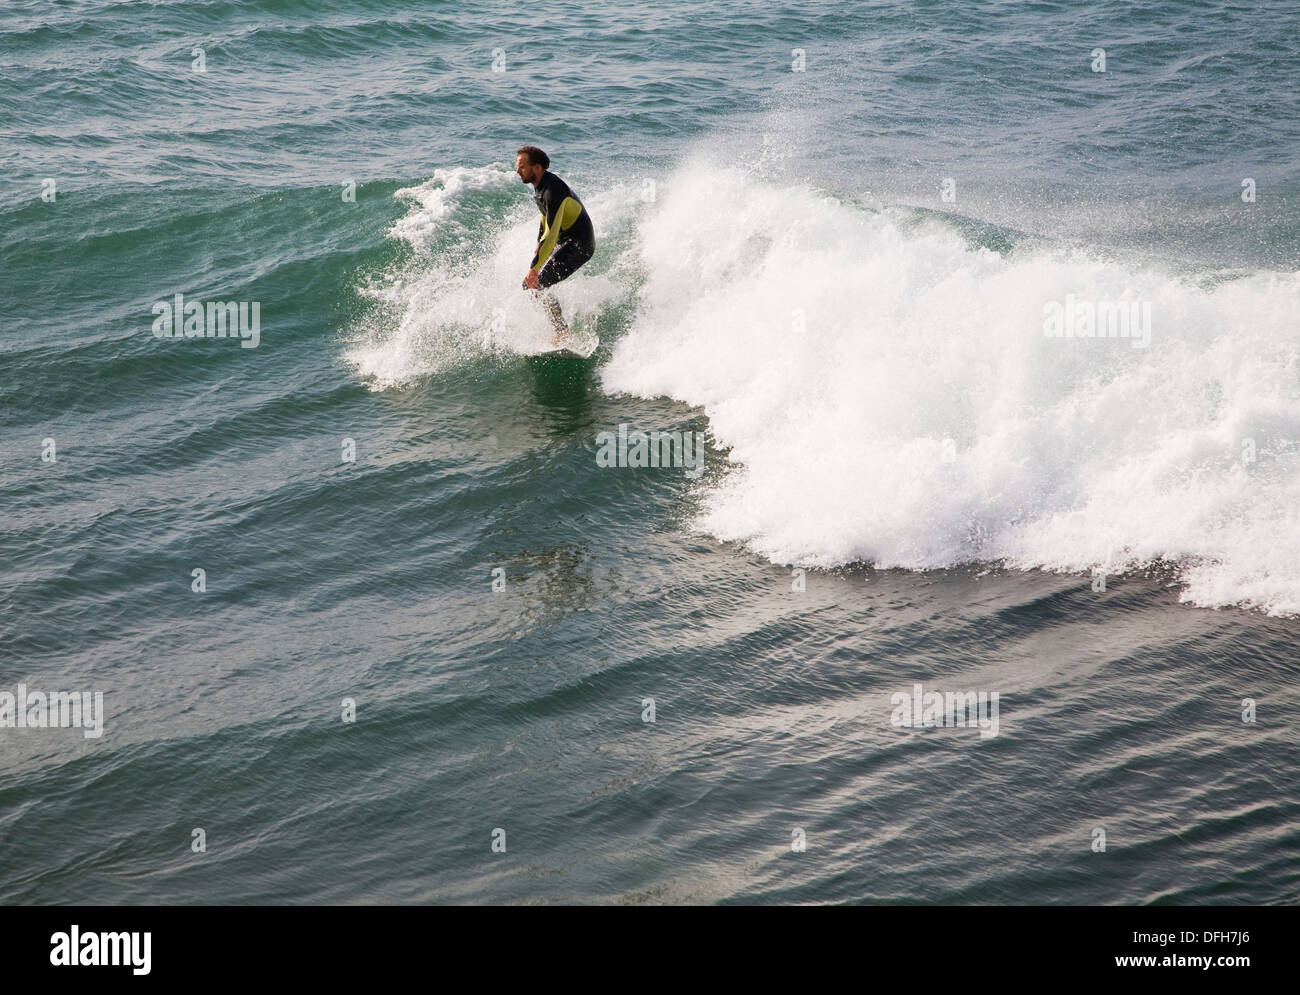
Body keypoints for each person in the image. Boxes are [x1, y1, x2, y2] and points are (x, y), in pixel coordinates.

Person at [515, 145, 595, 346]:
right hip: (567, 241)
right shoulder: (540, 186)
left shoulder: (554, 190)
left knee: (537, 284)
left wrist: (533, 269)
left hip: (580, 243)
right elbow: (545, 217)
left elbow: (551, 237)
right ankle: (559, 326)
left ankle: (563, 332)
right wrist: (537, 242)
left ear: (537, 167)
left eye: (522, 166)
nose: (518, 170)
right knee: (532, 287)